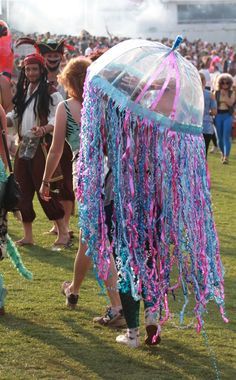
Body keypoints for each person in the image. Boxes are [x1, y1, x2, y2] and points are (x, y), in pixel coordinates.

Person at [77, 38, 227, 348]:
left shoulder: (128, 115)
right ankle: (152, 321)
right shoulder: (170, 123)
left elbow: (102, 140)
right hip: (157, 199)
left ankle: (132, 333)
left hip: (123, 196)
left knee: (127, 261)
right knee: (152, 259)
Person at [39, 57, 126, 328]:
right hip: (112, 174)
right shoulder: (108, 105)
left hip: (87, 175)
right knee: (89, 240)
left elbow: (55, 150)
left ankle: (117, 307)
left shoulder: (66, 108)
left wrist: (45, 181)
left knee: (98, 241)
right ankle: (73, 290)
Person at [6, 53, 69, 247]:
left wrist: (44, 129)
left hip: (41, 147)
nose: (31, 72)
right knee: (21, 191)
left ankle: (63, 233)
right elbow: (14, 116)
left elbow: (57, 118)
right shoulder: (24, 92)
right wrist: (4, 119)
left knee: (45, 190)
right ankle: (28, 236)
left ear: (41, 70)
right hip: (24, 146)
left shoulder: (51, 92)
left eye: (34, 69)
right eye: (28, 69)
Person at [214, 73, 235, 164]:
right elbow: (214, 104)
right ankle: (223, 153)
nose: (225, 85)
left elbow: (230, 103)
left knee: (226, 137)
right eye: (223, 83)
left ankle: (226, 157)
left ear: (230, 83)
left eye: (227, 83)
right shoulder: (216, 92)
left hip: (228, 115)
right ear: (220, 83)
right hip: (218, 116)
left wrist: (224, 97)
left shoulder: (232, 92)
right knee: (219, 138)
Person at [199, 72, 217, 156]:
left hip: (194, 126)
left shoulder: (191, 94)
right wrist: (208, 112)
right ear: (204, 82)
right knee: (204, 154)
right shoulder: (210, 95)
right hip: (207, 126)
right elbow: (214, 112)